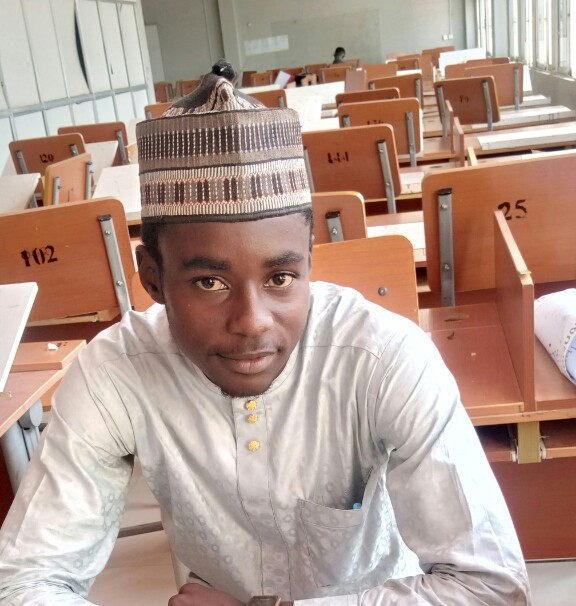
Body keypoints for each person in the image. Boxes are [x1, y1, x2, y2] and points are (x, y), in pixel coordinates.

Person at [0, 61, 530, 606]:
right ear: (153, 279)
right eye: (209, 282)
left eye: (280, 278)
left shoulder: (383, 358)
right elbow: (23, 582)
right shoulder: (115, 374)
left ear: (309, 264)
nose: (252, 320)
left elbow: (491, 589)